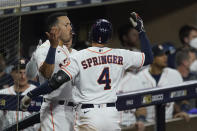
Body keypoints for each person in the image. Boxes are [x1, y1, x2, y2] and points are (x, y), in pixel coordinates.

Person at [21, 12, 153, 131]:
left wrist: (32, 93)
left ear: (91, 35)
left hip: (88, 115)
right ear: (109, 37)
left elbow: (55, 82)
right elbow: (148, 58)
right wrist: (141, 31)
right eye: (67, 25)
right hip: (111, 114)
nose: (70, 28)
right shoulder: (120, 54)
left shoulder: (79, 56)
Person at [25, 12, 76, 131]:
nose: (70, 27)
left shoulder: (65, 49)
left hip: (71, 110)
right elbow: (47, 74)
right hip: (55, 109)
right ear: (55, 29)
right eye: (66, 25)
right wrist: (53, 47)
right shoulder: (45, 48)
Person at [136, 44, 190, 123]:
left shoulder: (174, 74)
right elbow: (138, 106)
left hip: (168, 121)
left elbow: (183, 98)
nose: (165, 57)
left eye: (165, 54)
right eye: (161, 55)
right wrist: (141, 120)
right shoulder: (139, 77)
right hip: (147, 123)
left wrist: (183, 110)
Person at [0, 58, 39, 131]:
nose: (23, 76)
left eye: (25, 72)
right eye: (19, 72)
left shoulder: (37, 93)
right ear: (12, 73)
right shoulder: (2, 94)